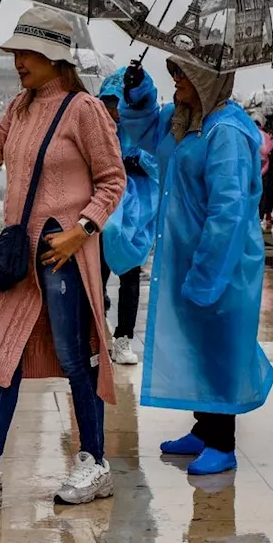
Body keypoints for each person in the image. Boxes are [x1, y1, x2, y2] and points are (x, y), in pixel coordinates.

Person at [0, 7, 126, 508]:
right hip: (20, 253)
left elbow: (112, 179)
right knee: (1, 355)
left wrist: (82, 231)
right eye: (14, 52)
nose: (17, 61)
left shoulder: (83, 109)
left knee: (78, 357)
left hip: (62, 255)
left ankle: (94, 461)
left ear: (55, 57)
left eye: (26, 53)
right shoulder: (20, 107)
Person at [120, 58, 273, 475]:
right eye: (173, 75)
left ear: (207, 80)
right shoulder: (183, 119)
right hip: (187, 255)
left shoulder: (226, 131)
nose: (176, 83)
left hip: (222, 260)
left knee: (220, 345)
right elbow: (148, 131)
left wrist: (208, 272)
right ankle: (204, 429)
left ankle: (223, 443)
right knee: (197, 341)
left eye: (183, 75)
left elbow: (228, 212)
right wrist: (138, 91)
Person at [95, 68, 160, 366]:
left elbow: (157, 160)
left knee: (130, 274)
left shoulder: (143, 127)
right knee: (98, 272)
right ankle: (95, 333)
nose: (114, 111)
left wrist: (134, 161)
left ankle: (123, 337)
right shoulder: (97, 127)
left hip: (136, 209)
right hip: (105, 206)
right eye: (109, 104)